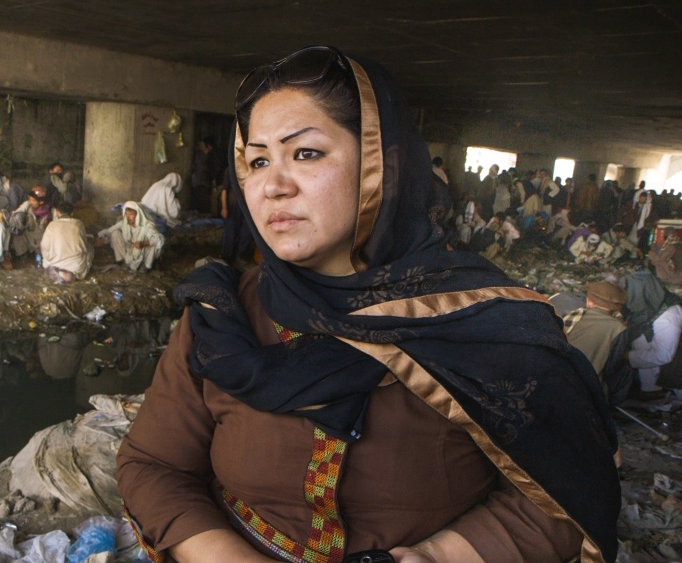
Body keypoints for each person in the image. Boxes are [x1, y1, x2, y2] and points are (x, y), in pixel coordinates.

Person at [117, 45, 618, 563]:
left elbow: (563, 496)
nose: (272, 186)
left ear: (384, 166)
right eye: (258, 160)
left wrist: (438, 556)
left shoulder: (491, 325)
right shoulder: (222, 316)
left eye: (306, 153)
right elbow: (153, 465)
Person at [563, 282, 633, 407]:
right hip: (586, 389)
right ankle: (608, 410)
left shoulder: (572, 316)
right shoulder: (619, 328)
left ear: (589, 301)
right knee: (626, 370)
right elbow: (612, 366)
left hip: (556, 380)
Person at [621, 270, 682, 397]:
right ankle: (650, 389)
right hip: (660, 355)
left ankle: (656, 391)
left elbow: (663, 355)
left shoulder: (668, 317)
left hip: (674, 366)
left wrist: (627, 356)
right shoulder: (655, 303)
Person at [98, 201, 164, 273]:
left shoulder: (146, 226)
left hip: (144, 252)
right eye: (126, 214)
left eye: (131, 214)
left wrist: (143, 243)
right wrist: (101, 237)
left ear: (138, 214)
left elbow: (160, 239)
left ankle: (145, 266)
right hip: (131, 250)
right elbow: (110, 230)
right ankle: (122, 261)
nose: (128, 217)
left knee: (154, 244)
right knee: (115, 233)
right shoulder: (125, 223)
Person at [40, 201, 93, 283]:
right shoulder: (78, 224)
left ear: (58, 212)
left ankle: (59, 273)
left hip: (54, 264)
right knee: (90, 248)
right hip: (75, 268)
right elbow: (83, 246)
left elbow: (44, 246)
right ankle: (68, 275)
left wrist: (51, 257)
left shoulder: (51, 225)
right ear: (72, 213)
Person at [9, 185, 54, 259]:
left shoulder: (51, 212)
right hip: (28, 237)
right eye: (30, 199)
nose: (30, 202)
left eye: (33, 200)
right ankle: (23, 257)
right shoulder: (27, 205)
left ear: (41, 202)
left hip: (43, 240)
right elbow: (15, 215)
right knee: (18, 234)